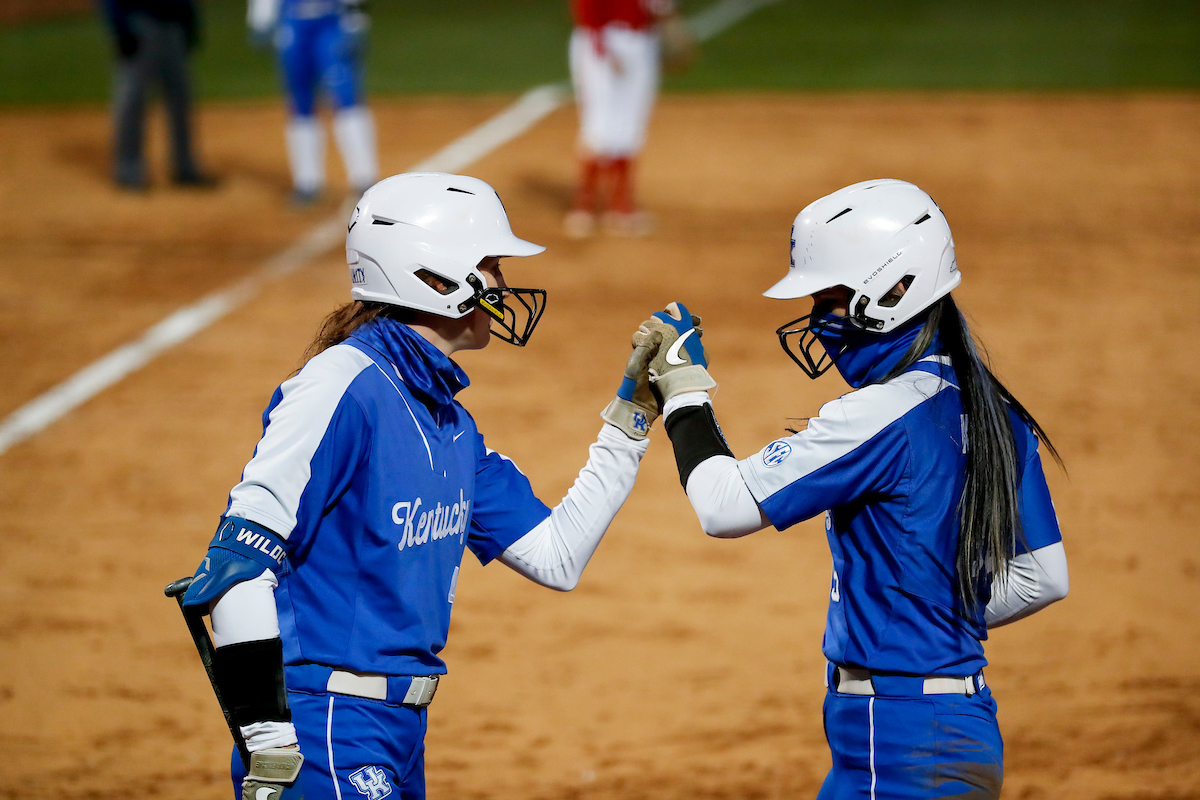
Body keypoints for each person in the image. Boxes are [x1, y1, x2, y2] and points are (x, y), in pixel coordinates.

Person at [179, 172, 664, 799]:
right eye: (490, 264)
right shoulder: (340, 388)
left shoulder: (449, 423)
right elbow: (238, 566)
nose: (504, 282)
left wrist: (631, 419)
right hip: (324, 733)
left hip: (398, 734)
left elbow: (557, 556)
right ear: (436, 279)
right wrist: (269, 746)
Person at [635, 179, 1069, 799]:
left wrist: (683, 392)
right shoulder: (997, 408)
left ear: (894, 291)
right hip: (954, 728)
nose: (818, 320)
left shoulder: (879, 414)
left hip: (894, 743)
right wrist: (925, 618)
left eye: (831, 300)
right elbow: (1043, 576)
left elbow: (724, 505)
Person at [564, 0, 688, 238]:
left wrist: (669, 18)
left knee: (631, 124)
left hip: (643, 42)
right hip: (602, 39)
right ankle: (584, 205)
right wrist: (602, 48)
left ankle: (621, 205)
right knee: (599, 122)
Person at [247, 0, 378, 205]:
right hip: (292, 23)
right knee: (300, 102)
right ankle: (307, 182)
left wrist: (356, 20)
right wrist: (260, 19)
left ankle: (364, 179)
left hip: (332, 21)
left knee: (346, 97)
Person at [99, 0, 213, 189]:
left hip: (175, 25)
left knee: (181, 100)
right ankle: (128, 170)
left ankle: (185, 168)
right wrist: (119, 27)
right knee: (131, 100)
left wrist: (191, 21)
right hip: (139, 24)